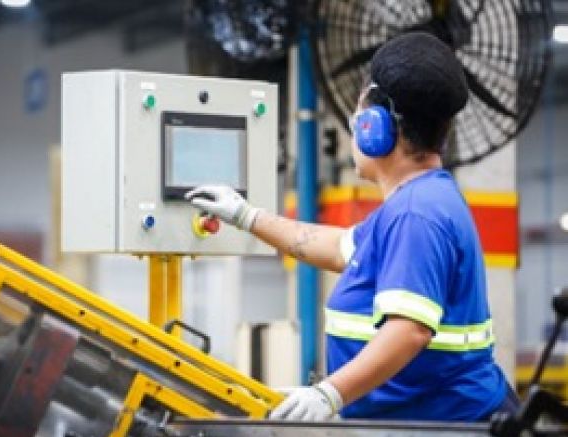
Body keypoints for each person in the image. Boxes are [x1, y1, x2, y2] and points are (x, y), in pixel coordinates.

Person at [185, 32, 518, 421]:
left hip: (448, 427)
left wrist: (330, 394)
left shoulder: (416, 213)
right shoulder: (416, 203)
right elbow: (341, 248)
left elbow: (409, 330)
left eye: (359, 113)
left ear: (376, 128)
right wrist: (245, 216)